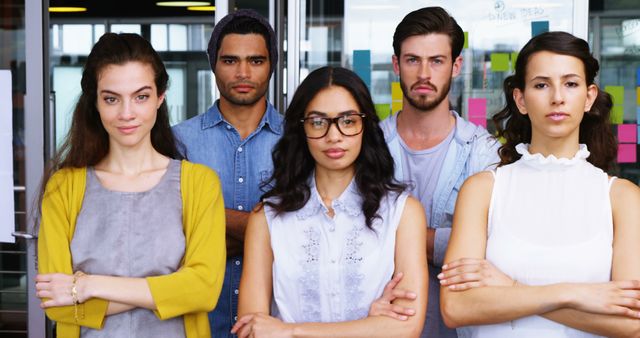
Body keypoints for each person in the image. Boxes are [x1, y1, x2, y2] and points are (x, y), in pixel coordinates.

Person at [440, 31, 640, 338]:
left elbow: (633, 324)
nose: (557, 97)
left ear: (588, 97)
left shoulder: (622, 198)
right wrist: (572, 294)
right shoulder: (482, 190)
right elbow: (456, 308)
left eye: (571, 84)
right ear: (520, 99)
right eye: (541, 84)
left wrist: (511, 289)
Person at [35, 33, 226, 338]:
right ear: (95, 102)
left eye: (141, 96)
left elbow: (203, 291)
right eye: (111, 98)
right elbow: (56, 303)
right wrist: (171, 290)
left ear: (160, 97)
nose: (127, 113)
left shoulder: (200, 184)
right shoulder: (63, 187)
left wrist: (87, 285)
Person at [230, 66, 428, 337]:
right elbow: (252, 330)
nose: (333, 136)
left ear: (365, 125)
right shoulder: (266, 218)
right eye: (318, 122)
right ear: (301, 129)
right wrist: (369, 327)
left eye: (347, 121)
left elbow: (407, 326)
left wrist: (290, 331)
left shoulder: (402, 212)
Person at [379, 7, 500, 338]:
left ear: (456, 66)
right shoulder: (367, 147)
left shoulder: (482, 152)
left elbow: (495, 248)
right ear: (396, 65)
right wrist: (448, 242)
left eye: (436, 61)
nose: (424, 73)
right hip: (379, 324)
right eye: (412, 60)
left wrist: (393, 239)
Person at [172, 9, 283, 337]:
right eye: (230, 60)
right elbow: (169, 237)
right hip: (196, 323)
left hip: (274, 324)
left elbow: (309, 236)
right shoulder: (177, 141)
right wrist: (265, 232)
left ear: (272, 64)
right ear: (213, 64)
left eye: (256, 61)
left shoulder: (299, 142)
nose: (243, 72)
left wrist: (205, 225)